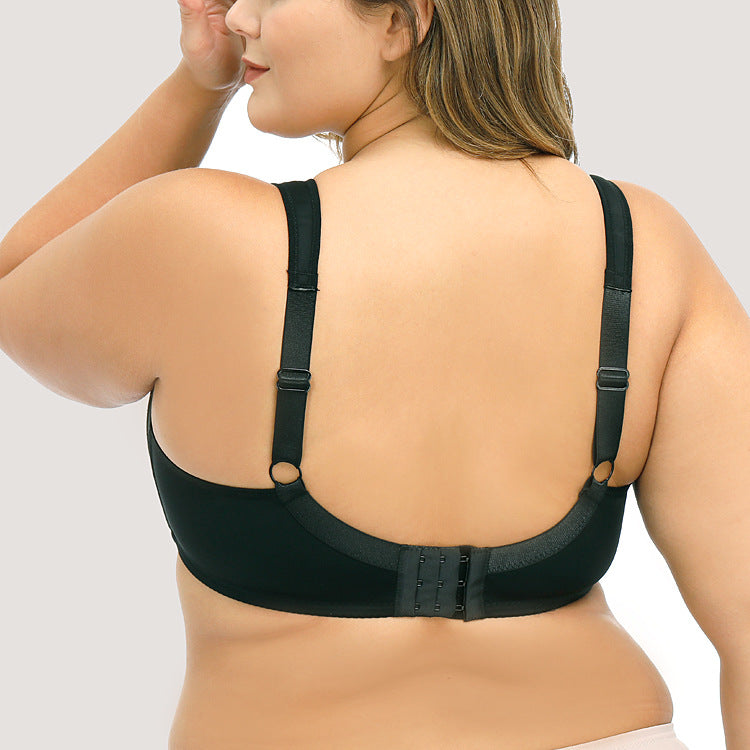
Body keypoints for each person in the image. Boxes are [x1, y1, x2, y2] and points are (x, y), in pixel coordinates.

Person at [0, 0, 747, 747]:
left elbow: (17, 286)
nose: (239, 17)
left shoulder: (201, 237)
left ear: (399, 22)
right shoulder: (642, 245)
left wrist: (199, 85)